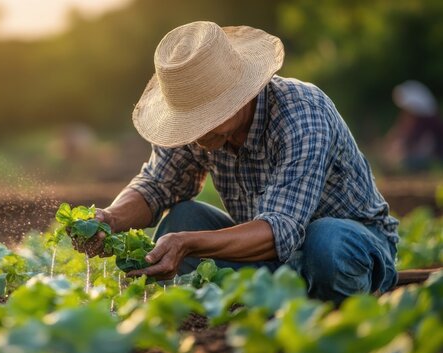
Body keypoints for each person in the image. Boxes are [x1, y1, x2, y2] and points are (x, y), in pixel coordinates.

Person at [74, 21, 399, 304]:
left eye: (204, 118)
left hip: (350, 246)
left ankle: (343, 305)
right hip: (271, 261)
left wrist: (188, 243)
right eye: (187, 121)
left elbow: (280, 229)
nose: (194, 132)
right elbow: (156, 185)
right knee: (182, 219)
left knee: (325, 241)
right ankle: (268, 301)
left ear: (240, 94)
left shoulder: (302, 114)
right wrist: (110, 219)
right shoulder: (200, 133)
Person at [382, 80, 443, 172]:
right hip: (427, 153)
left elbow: (405, 132)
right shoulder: (424, 118)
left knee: (409, 160)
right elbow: (401, 129)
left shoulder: (425, 122)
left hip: (432, 155)